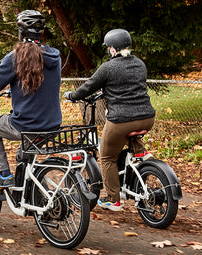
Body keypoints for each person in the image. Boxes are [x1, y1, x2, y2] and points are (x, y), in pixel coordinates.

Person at [0, 10, 62, 187]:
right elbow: (42, 85)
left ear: (21, 32)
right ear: (42, 32)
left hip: (27, 124)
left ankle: (4, 176)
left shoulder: (17, 57)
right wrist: (15, 92)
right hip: (53, 124)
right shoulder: (55, 56)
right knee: (23, 156)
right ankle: (34, 197)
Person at [63, 28, 155, 211]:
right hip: (147, 118)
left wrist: (72, 95)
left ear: (113, 49)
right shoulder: (139, 64)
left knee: (106, 157)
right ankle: (139, 151)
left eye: (109, 48)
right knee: (123, 139)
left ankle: (113, 199)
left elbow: (88, 86)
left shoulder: (108, 67)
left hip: (122, 120)